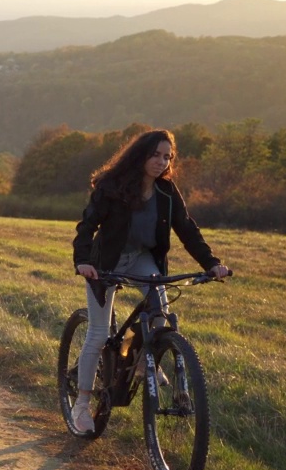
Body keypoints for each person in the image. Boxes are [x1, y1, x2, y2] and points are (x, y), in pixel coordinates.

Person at [70, 128, 230, 433]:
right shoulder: (112, 185)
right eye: (155, 154)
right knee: (99, 332)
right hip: (108, 261)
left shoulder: (167, 193)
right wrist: (84, 261)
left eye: (167, 156)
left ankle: (146, 361)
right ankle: (81, 405)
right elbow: (87, 225)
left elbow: (187, 229)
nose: (161, 161)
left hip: (144, 258)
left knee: (161, 309)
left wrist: (211, 264)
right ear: (140, 154)